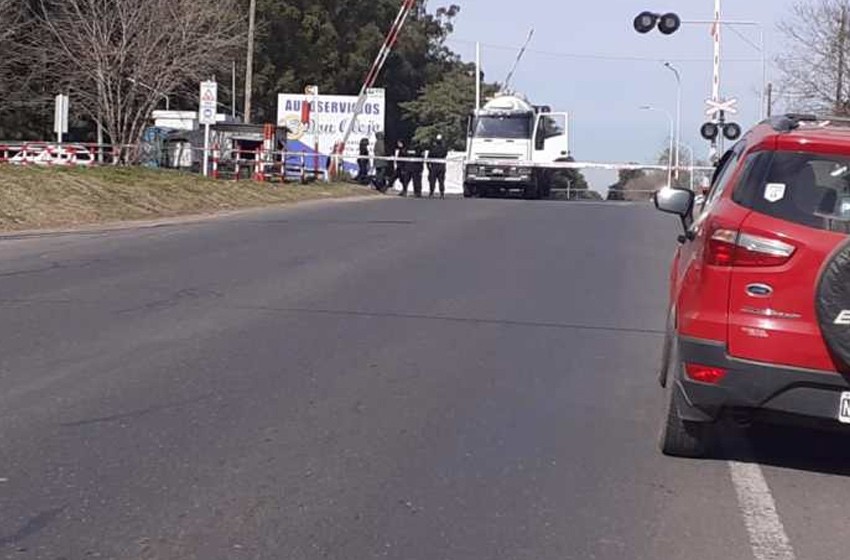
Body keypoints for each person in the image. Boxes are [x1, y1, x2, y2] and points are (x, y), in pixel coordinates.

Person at [427, 134, 448, 199]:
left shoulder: (432, 149)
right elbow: (445, 154)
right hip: (441, 166)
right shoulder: (444, 149)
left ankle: (431, 193)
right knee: (441, 181)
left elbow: (428, 158)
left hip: (433, 167)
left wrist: (428, 167)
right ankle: (442, 194)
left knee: (432, 181)